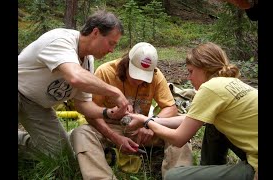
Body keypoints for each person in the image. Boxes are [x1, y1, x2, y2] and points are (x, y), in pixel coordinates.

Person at [126, 42, 258, 180]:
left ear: (205, 68)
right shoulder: (230, 82)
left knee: (174, 177)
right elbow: (190, 119)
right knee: (212, 123)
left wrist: (146, 122)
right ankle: (208, 168)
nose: (189, 78)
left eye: (191, 71)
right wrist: (153, 120)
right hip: (252, 150)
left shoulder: (210, 88)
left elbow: (178, 139)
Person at [70, 42, 193, 179]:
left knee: (181, 132)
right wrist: (114, 137)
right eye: (135, 74)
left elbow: (170, 108)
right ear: (126, 63)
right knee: (81, 133)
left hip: (143, 129)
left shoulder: (157, 76)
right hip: (111, 128)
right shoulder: (106, 72)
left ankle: (178, 176)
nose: (139, 81)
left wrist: (150, 124)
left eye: (144, 76)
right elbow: (91, 114)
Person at [18, 10, 130, 159]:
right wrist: (114, 92)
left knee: (61, 155)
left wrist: (108, 113)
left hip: (37, 105)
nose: (111, 50)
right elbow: (75, 77)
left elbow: (83, 105)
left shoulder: (87, 62)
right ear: (95, 32)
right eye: (111, 43)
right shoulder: (60, 40)